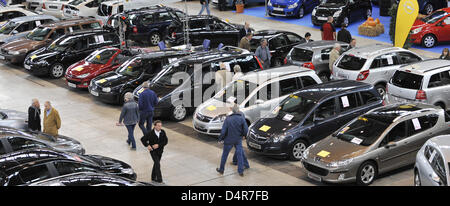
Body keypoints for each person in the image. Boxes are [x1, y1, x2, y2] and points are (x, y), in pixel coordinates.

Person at [216, 104, 249, 176]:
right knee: (239, 155)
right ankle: (240, 171)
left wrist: (220, 139)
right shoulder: (241, 118)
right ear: (238, 110)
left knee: (224, 155)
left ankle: (221, 170)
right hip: (238, 140)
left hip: (228, 140)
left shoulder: (228, 119)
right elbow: (246, 129)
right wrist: (244, 135)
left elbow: (223, 131)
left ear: (232, 110)